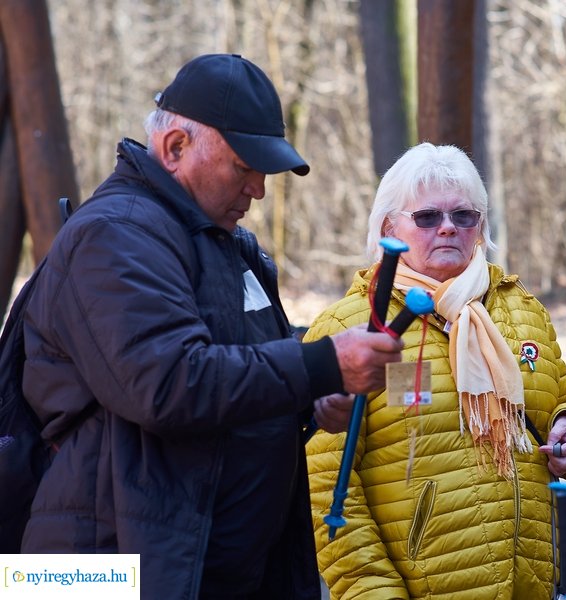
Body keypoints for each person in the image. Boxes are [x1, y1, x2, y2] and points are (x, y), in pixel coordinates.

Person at [21, 54, 403, 599]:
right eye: (244, 168)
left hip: (209, 569)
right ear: (176, 147)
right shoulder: (116, 235)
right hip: (110, 569)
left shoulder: (219, 243)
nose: (258, 191)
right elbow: (169, 381)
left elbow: (245, 367)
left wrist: (316, 396)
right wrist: (322, 363)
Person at [304, 142, 566, 599]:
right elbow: (327, 491)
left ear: (480, 227)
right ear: (389, 226)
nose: (447, 228)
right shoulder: (349, 329)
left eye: (464, 216)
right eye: (427, 217)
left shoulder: (521, 310)